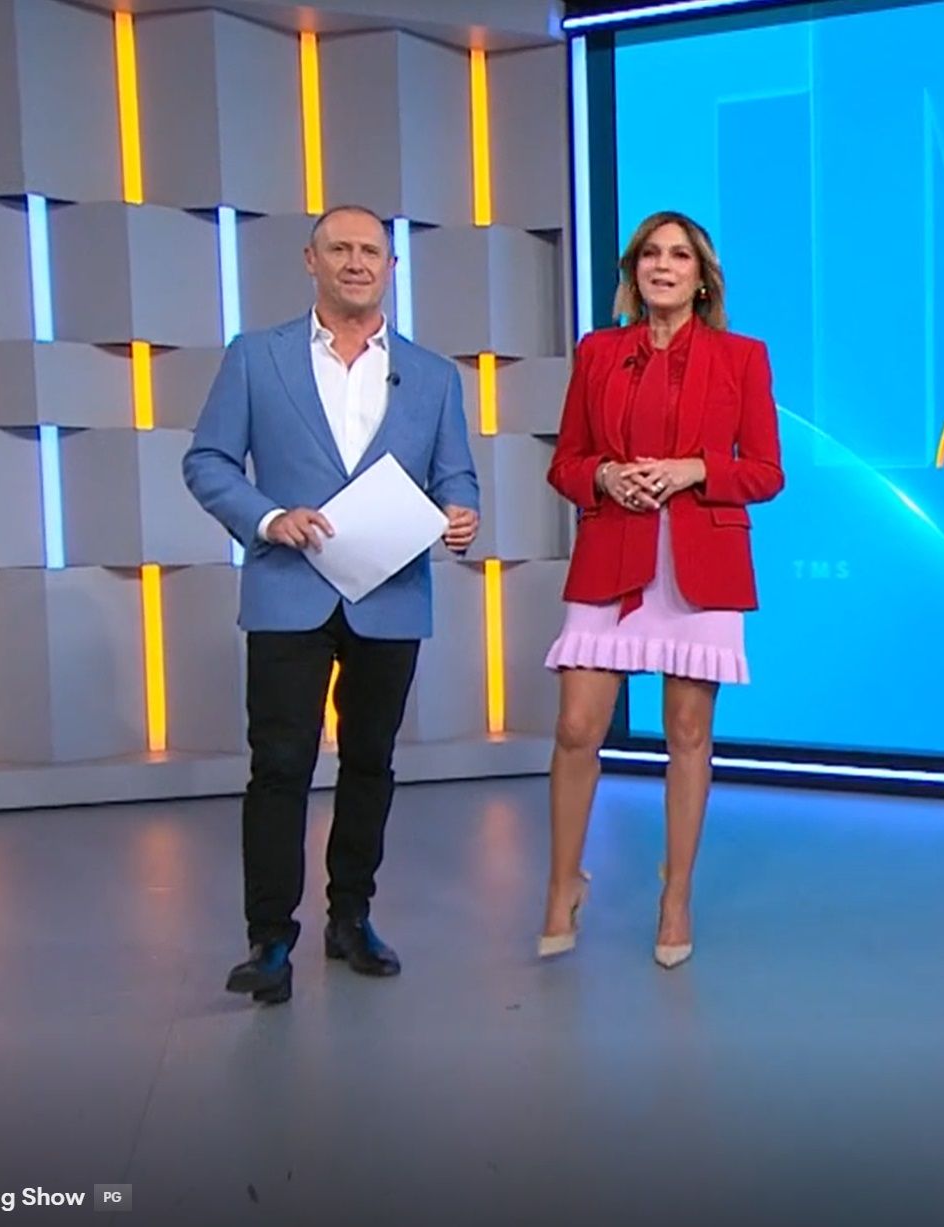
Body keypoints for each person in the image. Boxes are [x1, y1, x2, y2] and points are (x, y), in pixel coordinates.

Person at [182, 203, 481, 1005]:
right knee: (280, 766)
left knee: (370, 762)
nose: (356, 262)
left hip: (390, 593)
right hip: (289, 591)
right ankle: (270, 938)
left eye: (371, 251)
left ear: (391, 267)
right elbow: (208, 460)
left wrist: (461, 512)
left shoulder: (433, 375)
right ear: (309, 260)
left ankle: (351, 916)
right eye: (339, 248)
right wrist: (267, 518)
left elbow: (455, 473)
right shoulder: (256, 356)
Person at [537, 210, 784, 968]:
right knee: (577, 727)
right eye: (651, 254)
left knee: (687, 733)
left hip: (702, 563)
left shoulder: (742, 357)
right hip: (612, 550)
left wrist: (695, 469)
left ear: (702, 277)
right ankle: (562, 884)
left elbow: (766, 472)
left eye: (679, 255)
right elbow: (565, 463)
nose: (663, 266)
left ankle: (675, 896)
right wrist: (606, 476)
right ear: (633, 271)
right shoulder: (598, 352)